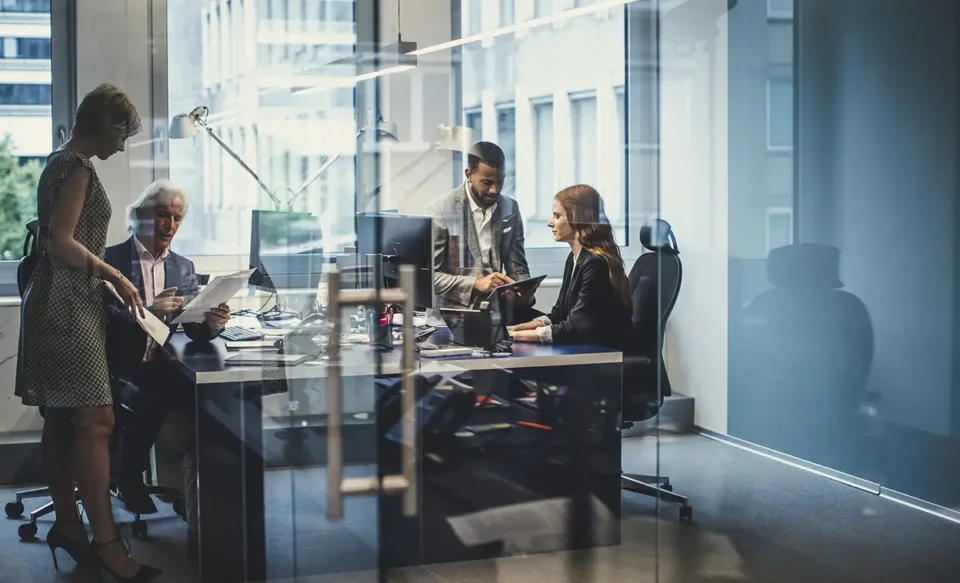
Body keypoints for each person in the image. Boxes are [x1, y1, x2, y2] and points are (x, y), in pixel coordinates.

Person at [15, 83, 161, 581]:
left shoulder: (58, 160)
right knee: (98, 420)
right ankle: (104, 541)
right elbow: (60, 242)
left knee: (63, 418)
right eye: (122, 136)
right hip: (67, 302)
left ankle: (68, 527)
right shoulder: (76, 167)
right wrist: (115, 274)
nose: (121, 148)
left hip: (55, 301)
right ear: (105, 126)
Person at [104, 180, 230, 561]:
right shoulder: (110, 261)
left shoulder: (183, 266)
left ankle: (205, 502)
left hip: (164, 368)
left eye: (177, 218)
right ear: (140, 216)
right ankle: (129, 475)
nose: (170, 225)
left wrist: (213, 322)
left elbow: (193, 330)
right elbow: (100, 320)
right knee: (154, 391)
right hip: (119, 367)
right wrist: (146, 313)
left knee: (213, 402)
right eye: (162, 215)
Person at [508, 185, 633, 350]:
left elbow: (573, 327)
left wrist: (513, 336)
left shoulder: (595, 263)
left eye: (557, 216)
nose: (550, 223)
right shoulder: (574, 258)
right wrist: (513, 330)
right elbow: (559, 315)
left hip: (604, 354)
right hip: (587, 347)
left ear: (576, 217)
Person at [427, 141, 536, 311]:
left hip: (496, 314)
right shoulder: (441, 209)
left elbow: (518, 266)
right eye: (487, 182)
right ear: (469, 174)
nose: (495, 189)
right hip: (450, 317)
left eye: (500, 182)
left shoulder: (510, 208)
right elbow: (429, 277)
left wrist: (523, 291)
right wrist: (476, 283)